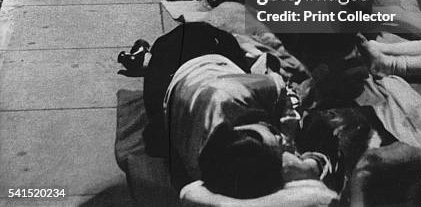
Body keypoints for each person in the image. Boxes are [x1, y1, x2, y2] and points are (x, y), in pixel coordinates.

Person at [130, 22, 336, 197]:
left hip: (193, 54)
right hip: (181, 89)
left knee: (195, 38)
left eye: (274, 134)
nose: (280, 138)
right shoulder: (208, 171)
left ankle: (147, 58)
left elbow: (279, 86)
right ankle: (146, 58)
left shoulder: (237, 94)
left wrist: (292, 143)